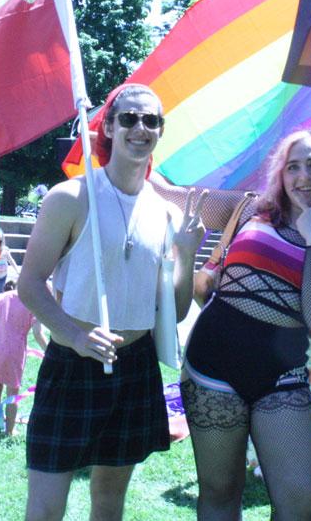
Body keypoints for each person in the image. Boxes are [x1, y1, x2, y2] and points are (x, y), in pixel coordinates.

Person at [17, 83, 206, 521]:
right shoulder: (70, 198)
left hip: (134, 365)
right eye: (129, 119)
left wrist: (187, 253)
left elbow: (174, 312)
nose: (140, 128)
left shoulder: (166, 212)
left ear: (160, 130)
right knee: (46, 506)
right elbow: (30, 284)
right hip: (72, 362)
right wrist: (74, 336)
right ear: (108, 127)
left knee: (109, 500)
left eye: (151, 120)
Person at [179, 130, 311, 520]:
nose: (303, 176)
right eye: (292, 167)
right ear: (281, 175)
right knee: (219, 490)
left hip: (283, 375)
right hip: (212, 365)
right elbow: (182, 199)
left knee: (300, 498)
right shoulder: (251, 209)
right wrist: (135, 165)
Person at [0, 279, 48, 435]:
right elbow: (38, 333)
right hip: (15, 353)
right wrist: (49, 351)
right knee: (12, 395)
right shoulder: (33, 304)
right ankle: (9, 431)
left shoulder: (3, 296)